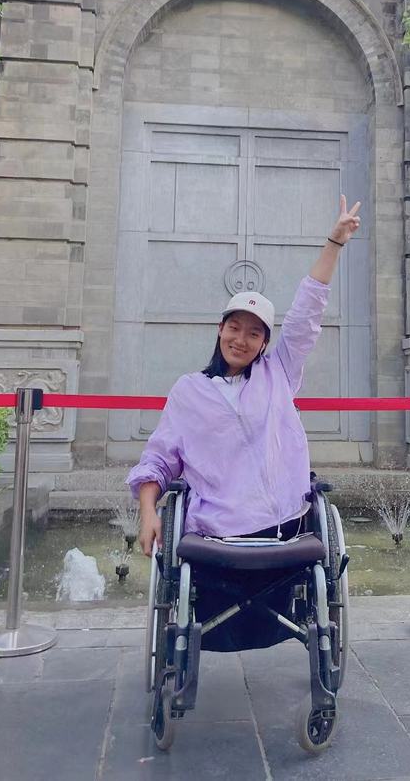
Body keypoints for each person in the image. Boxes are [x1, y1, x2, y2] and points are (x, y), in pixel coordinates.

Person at [126, 195, 362, 564]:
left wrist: (334, 243)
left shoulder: (278, 372)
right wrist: (148, 513)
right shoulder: (189, 391)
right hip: (216, 536)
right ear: (219, 329)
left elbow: (306, 314)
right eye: (234, 328)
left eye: (254, 333)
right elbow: (158, 460)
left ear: (264, 343)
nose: (241, 339)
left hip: (285, 529)